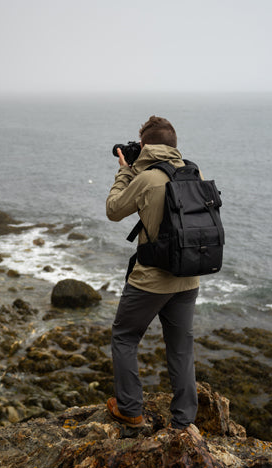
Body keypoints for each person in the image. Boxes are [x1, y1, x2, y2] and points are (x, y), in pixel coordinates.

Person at [106, 116, 200, 429]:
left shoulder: (146, 179)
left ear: (145, 146)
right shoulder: (194, 173)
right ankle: (184, 421)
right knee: (181, 347)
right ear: (173, 146)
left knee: (124, 337)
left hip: (151, 279)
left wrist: (124, 172)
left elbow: (114, 210)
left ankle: (130, 410)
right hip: (188, 277)